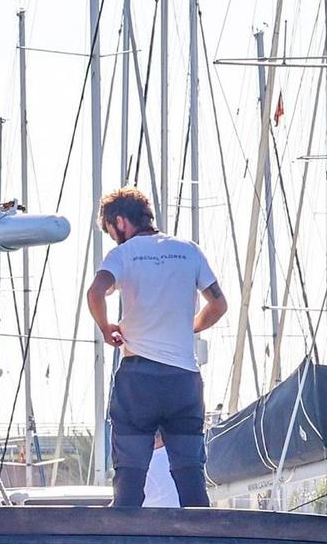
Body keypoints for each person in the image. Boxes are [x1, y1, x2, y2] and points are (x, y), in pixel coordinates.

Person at [85, 186, 227, 508]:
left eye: (111, 230)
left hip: (139, 379)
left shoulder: (123, 254)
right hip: (183, 380)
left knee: (130, 480)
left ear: (120, 221)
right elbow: (218, 304)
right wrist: (189, 326)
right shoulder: (189, 251)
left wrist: (107, 328)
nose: (113, 238)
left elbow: (96, 293)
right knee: (191, 477)